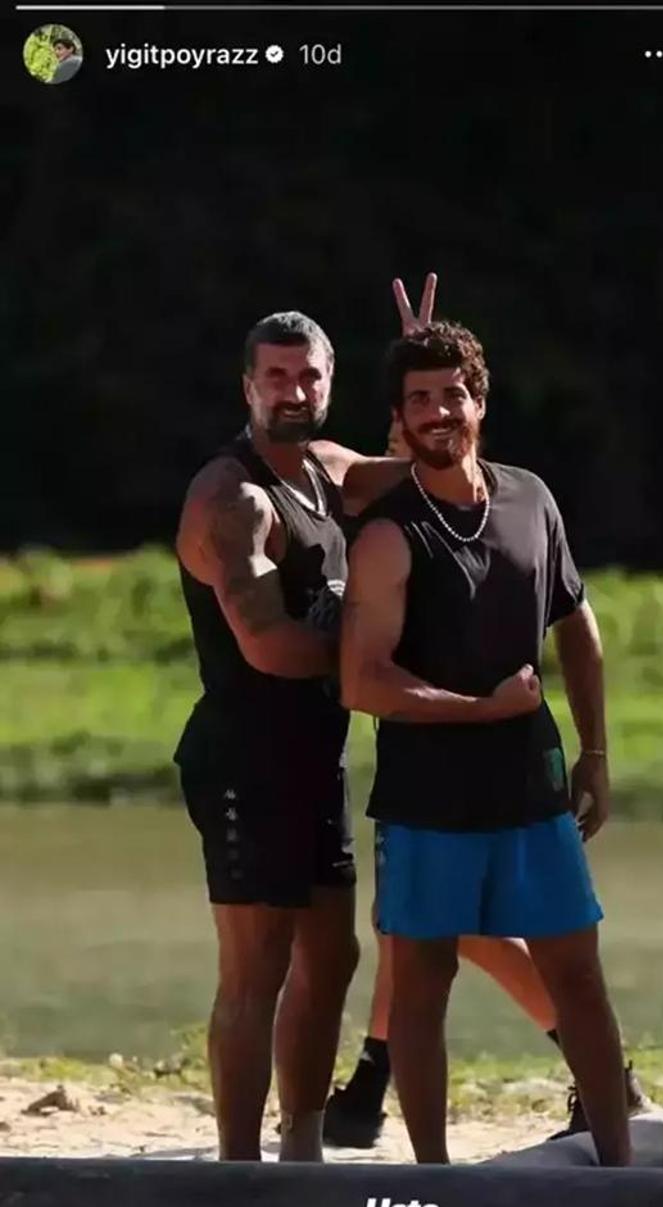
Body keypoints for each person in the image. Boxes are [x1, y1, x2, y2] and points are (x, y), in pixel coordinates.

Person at [340, 320, 631, 1166]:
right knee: (423, 986)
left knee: (579, 974)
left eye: (453, 394)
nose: (439, 411)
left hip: (532, 787)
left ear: (480, 400)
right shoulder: (390, 533)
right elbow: (361, 681)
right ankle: (434, 1179)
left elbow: (578, 627)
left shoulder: (531, 498)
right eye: (420, 399)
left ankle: (619, 1169)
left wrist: (596, 753)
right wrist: (480, 708)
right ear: (400, 420)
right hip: (427, 800)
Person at [174, 288, 431, 1162]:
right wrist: (372, 655)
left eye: (308, 376)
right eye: (276, 377)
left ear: (329, 382)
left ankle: (304, 1148)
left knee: (334, 957)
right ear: (248, 386)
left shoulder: (325, 467)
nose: (293, 390)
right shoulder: (233, 496)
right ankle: (238, 1169)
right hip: (244, 755)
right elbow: (270, 646)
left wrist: (420, 374)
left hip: (317, 753)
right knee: (258, 968)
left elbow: (430, 471)